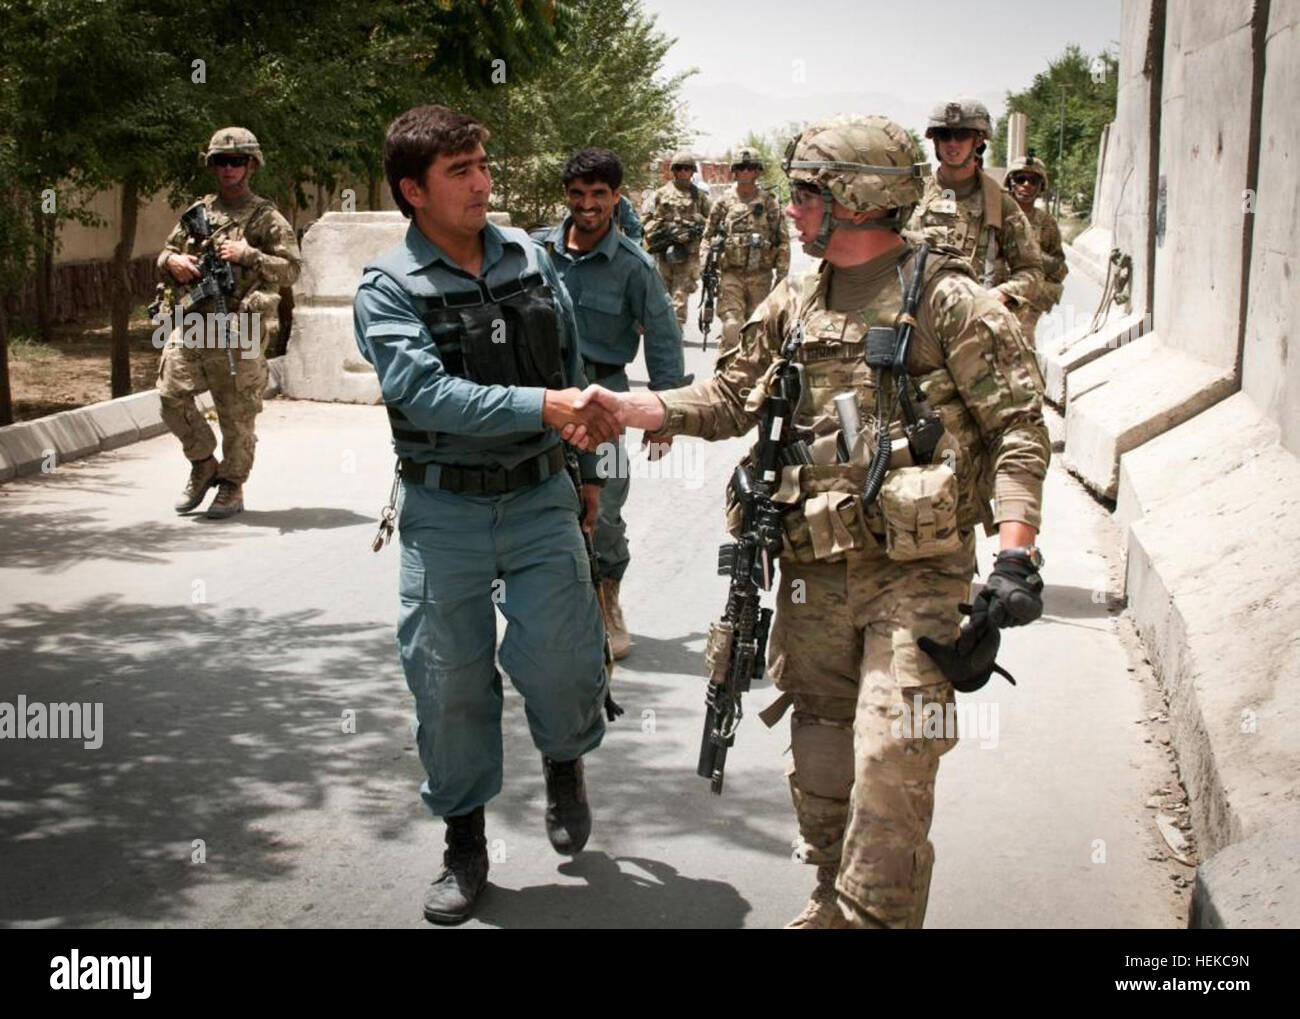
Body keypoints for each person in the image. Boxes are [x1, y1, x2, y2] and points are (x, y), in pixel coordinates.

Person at [572, 115, 1049, 928]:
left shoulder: (950, 301)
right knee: (824, 760)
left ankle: (872, 919)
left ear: (857, 198)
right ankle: (830, 895)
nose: (790, 210)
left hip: (919, 578)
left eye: (804, 194)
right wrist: (635, 406)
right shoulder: (796, 300)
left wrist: (1013, 556)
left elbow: (1018, 431)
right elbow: (727, 397)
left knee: (893, 757)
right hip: (811, 577)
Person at [352, 105, 622, 925]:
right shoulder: (387, 287)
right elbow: (425, 391)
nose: (481, 181)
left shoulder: (532, 259)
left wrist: (585, 470)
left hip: (542, 492)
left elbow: (572, 367)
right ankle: (464, 843)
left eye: (482, 163)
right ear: (412, 191)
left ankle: (564, 759)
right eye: (459, 170)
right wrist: (543, 404)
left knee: (565, 659)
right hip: (445, 509)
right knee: (450, 681)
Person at [533, 148, 687, 659]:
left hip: (607, 402)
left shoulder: (634, 267)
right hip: (545, 398)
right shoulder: (536, 255)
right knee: (539, 506)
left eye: (599, 194)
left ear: (616, 198)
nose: (588, 205)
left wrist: (664, 416)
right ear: (567, 197)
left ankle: (607, 601)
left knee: (606, 513)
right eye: (578, 194)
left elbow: (663, 337)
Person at [156, 127, 301, 519]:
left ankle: (232, 485)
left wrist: (249, 254)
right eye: (221, 161)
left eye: (237, 161)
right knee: (170, 395)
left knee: (236, 413)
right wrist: (173, 262)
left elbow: (291, 270)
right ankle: (203, 463)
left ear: (251, 165)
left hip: (241, 327)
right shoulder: (198, 213)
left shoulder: (266, 218)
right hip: (197, 320)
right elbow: (167, 251)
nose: (229, 168)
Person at [908, 98, 1043, 311]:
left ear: (979, 141)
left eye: (962, 135)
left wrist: (1000, 294)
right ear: (935, 141)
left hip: (975, 321)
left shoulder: (999, 204)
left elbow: (1031, 272)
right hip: (918, 317)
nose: (952, 143)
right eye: (944, 135)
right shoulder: (913, 195)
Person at [701, 146, 790, 352]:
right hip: (730, 275)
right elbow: (707, 237)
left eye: (750, 168)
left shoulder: (769, 202)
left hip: (761, 276)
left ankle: (750, 378)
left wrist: (782, 277)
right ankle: (723, 375)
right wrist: (706, 265)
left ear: (758, 171)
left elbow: (782, 241)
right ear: (735, 171)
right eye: (741, 168)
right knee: (732, 326)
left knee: (756, 330)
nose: (746, 173)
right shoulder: (723, 202)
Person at [995, 153, 1068, 345]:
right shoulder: (995, 215)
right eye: (1020, 179)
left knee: (1021, 344)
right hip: (995, 293)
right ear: (1011, 183)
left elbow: (1059, 268)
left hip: (1027, 300)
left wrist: (1033, 258)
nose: (1026, 185)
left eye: (1033, 181)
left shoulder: (1046, 223)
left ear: (1040, 187)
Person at [642, 151, 711, 327]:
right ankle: (662, 327)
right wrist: (663, 231)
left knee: (680, 293)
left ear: (692, 171)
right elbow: (645, 220)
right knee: (661, 292)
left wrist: (697, 226)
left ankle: (675, 329)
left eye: (687, 169)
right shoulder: (660, 194)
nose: (683, 172)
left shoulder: (699, 196)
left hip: (689, 253)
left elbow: (712, 222)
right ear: (673, 170)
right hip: (664, 250)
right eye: (679, 168)